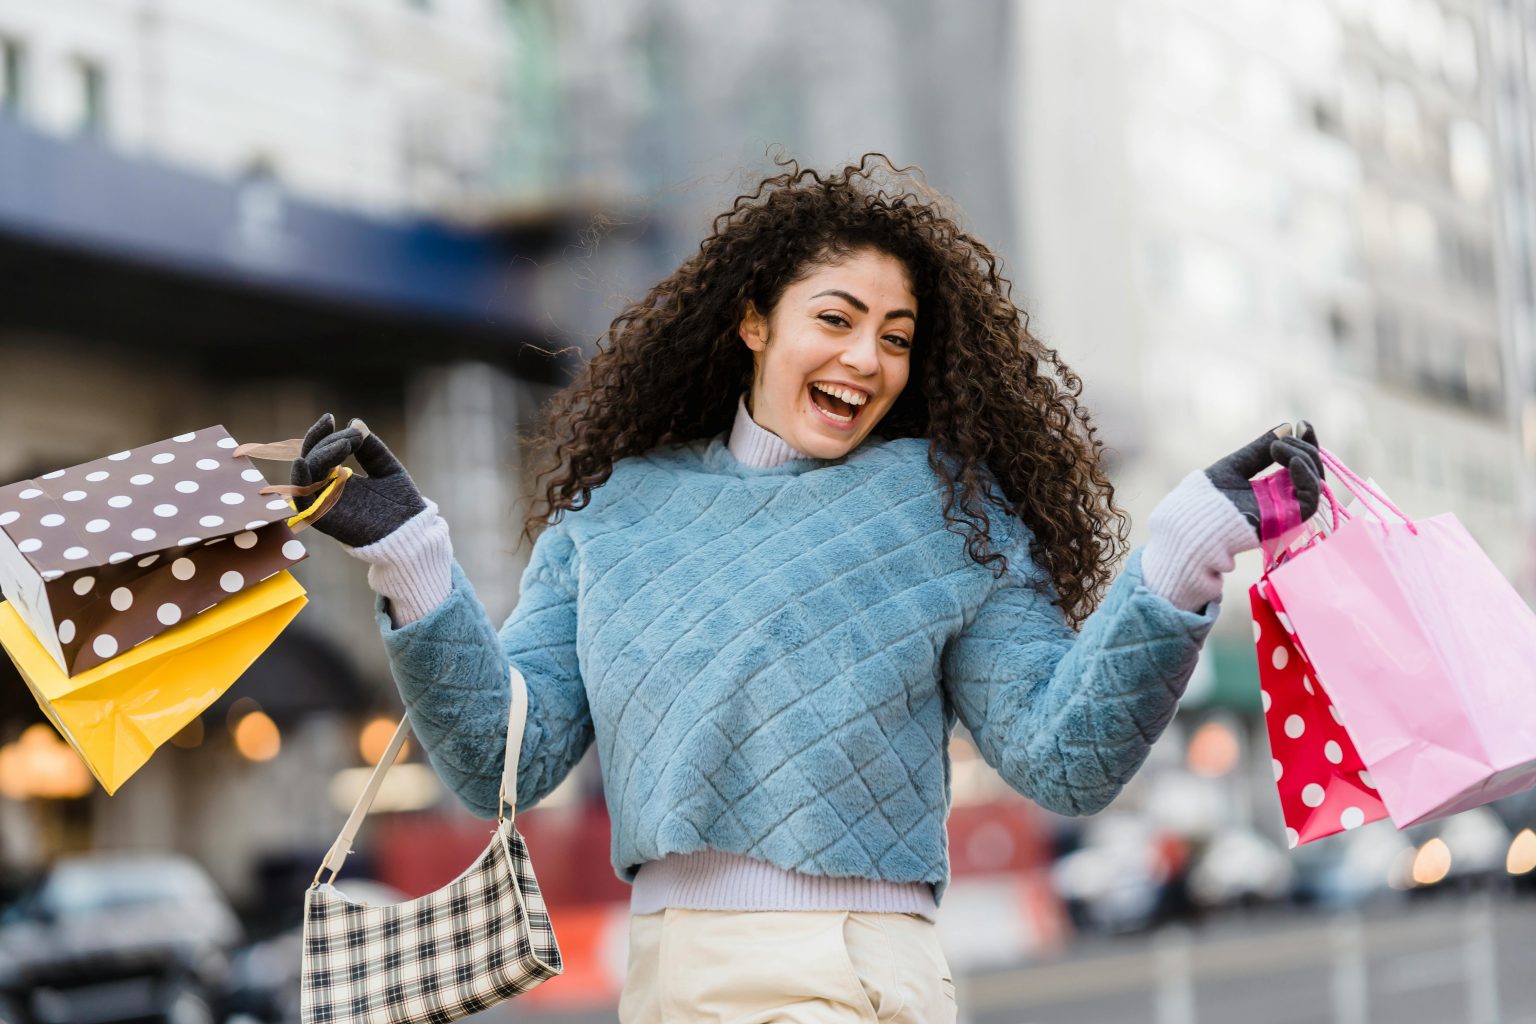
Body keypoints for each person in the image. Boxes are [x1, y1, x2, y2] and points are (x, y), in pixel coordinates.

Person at [292, 154, 1324, 1023]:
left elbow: (1065, 758)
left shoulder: (943, 509)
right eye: (836, 318)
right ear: (753, 322)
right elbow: (498, 764)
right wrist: (411, 557)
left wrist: (1187, 549)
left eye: (896, 335)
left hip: (860, 967)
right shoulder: (613, 516)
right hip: (671, 975)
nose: (865, 358)